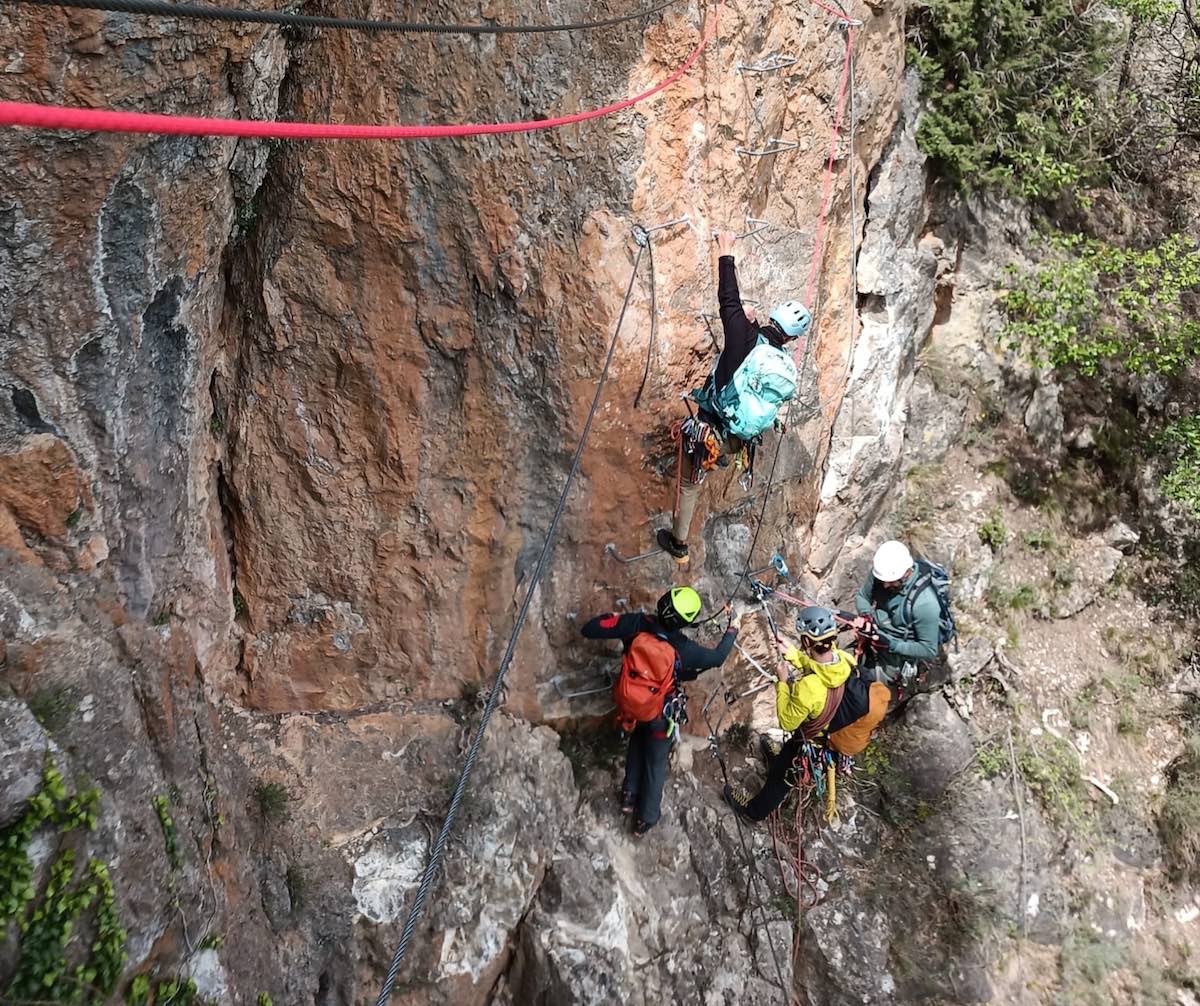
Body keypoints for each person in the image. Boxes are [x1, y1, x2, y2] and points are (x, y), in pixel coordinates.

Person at [656, 230, 811, 562]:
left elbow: (728, 297)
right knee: (716, 451)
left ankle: (678, 544)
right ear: (792, 338)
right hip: (737, 438)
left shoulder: (744, 334)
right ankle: (720, 456)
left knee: (690, 482)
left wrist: (726, 251)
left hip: (708, 427)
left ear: (773, 317)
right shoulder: (782, 364)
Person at [581, 587, 742, 837]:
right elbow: (717, 657)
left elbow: (590, 629)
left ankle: (628, 795)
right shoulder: (684, 649)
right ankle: (645, 818)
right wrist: (732, 629)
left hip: (630, 704)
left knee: (637, 738)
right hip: (659, 712)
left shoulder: (636, 623)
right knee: (656, 762)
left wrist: (612, 617)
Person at [723, 606, 855, 822]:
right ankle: (776, 760)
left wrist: (782, 682)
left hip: (810, 743)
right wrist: (793, 654)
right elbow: (819, 668)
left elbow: (786, 721)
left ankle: (753, 813)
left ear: (806, 642)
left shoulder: (809, 687)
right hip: (828, 732)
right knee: (783, 762)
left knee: (780, 779)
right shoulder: (843, 661)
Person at [852, 540, 940, 686]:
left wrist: (891, 645)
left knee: (864, 694)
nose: (885, 585)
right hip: (872, 638)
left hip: (895, 659)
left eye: (891, 581)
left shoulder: (925, 604)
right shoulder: (882, 574)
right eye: (883, 580)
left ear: (907, 573)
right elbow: (862, 596)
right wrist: (866, 615)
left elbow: (929, 649)